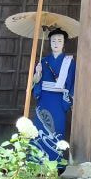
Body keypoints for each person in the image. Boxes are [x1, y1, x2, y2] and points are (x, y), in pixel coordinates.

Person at [31, 28, 75, 166]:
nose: (56, 43)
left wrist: (67, 101)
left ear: (63, 44)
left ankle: (56, 163)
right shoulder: (43, 62)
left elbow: (72, 82)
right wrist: (37, 73)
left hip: (59, 101)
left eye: (59, 41)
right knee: (40, 129)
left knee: (58, 129)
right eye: (53, 41)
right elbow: (36, 82)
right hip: (44, 99)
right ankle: (37, 162)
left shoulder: (69, 62)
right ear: (49, 43)